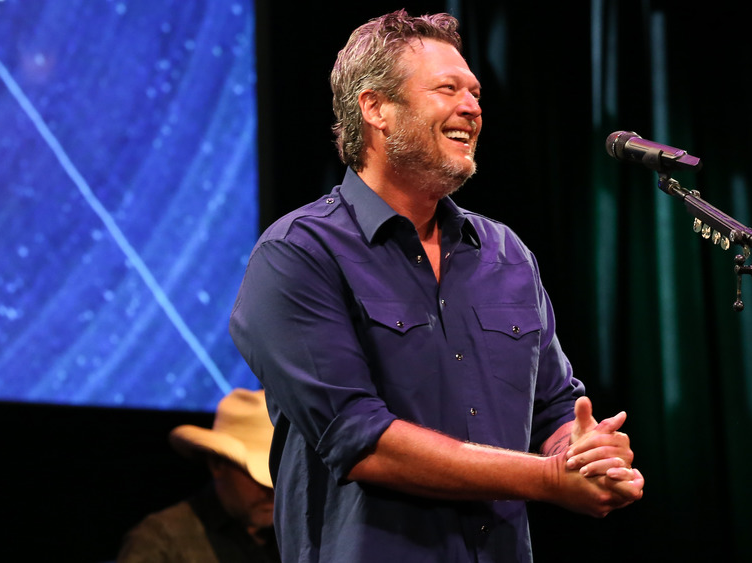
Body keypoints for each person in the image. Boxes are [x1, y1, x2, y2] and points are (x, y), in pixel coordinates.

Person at [229, 9, 645, 562]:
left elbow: (553, 409)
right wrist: (547, 478)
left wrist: (587, 454)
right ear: (375, 107)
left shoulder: (506, 255)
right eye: (447, 88)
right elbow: (360, 440)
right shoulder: (298, 254)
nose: (471, 107)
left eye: (474, 92)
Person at [116, 388, 280, 563]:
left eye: (278, 479)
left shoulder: (295, 535)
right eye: (258, 477)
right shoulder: (160, 541)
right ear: (217, 464)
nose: (271, 491)